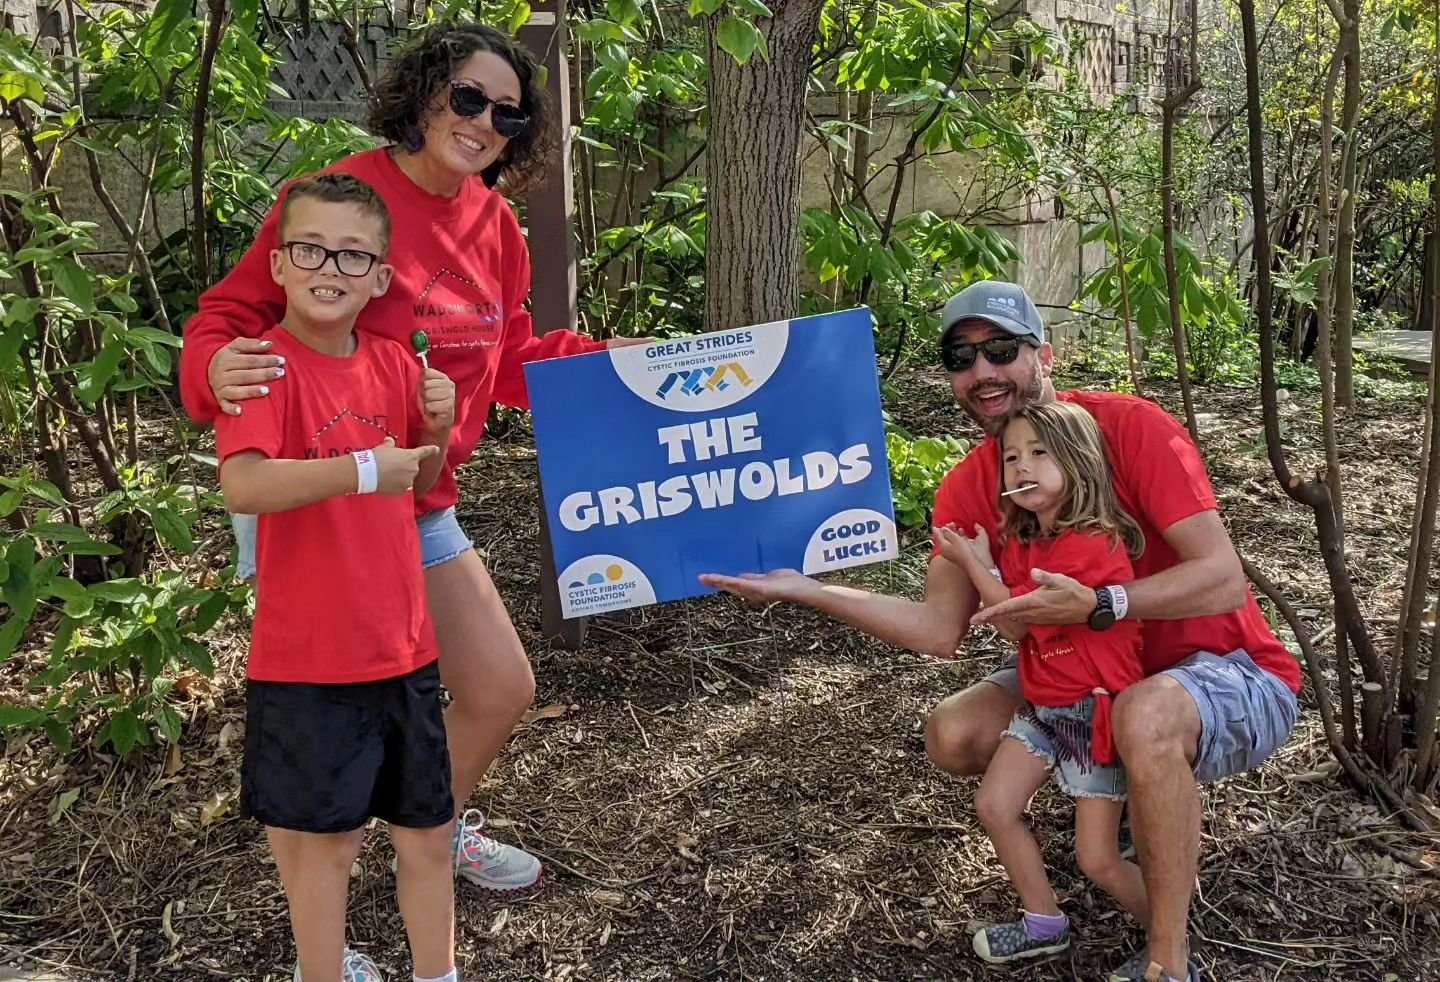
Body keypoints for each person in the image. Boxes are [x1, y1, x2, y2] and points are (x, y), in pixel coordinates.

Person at [700, 280, 1302, 982]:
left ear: (1042, 355)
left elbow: (1224, 578)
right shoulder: (967, 487)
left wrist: (1100, 604)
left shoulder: (1130, 427)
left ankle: (1169, 960)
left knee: (1144, 715)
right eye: (962, 358)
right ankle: (1094, 825)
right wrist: (803, 589)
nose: (982, 372)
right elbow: (936, 629)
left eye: (1001, 351)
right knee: (953, 732)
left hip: (1229, 671)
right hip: (1086, 674)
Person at [181, 22, 642, 894]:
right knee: (337, 725)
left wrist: (614, 368)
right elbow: (229, 314)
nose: (481, 122)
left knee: (499, 687)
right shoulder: (343, 197)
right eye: (466, 97)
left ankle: (426, 837)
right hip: (317, 504)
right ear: (426, 93)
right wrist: (210, 366)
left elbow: (504, 360)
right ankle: (323, 938)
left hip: (418, 497)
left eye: (506, 114)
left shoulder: (496, 223)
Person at [215, 173, 458, 982]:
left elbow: (416, 484)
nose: (332, 268)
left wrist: (439, 423)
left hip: (404, 649)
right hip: (308, 660)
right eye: (311, 248)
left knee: (427, 833)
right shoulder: (259, 365)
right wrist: (360, 468)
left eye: (355, 255)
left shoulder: (392, 361)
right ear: (279, 264)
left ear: (381, 278)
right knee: (330, 848)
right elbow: (245, 485)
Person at [934, 401, 1147, 965]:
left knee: (1097, 858)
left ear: (1077, 463)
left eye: (1038, 453)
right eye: (1011, 457)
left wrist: (975, 563)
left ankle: (1168, 936)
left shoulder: (1093, 542)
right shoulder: (1028, 544)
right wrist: (991, 568)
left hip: (1090, 714)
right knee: (995, 806)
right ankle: (1044, 920)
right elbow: (1012, 627)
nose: (1021, 467)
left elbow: (1024, 614)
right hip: (1045, 703)